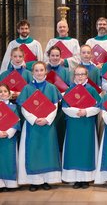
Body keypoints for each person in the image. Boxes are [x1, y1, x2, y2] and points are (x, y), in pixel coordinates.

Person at [16, 61, 62, 192]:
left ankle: (47, 180)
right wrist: (35, 119)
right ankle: (34, 181)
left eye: (41, 70)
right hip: (32, 126)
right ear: (32, 73)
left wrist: (46, 119)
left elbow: (55, 106)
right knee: (33, 151)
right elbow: (24, 107)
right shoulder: (27, 88)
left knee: (48, 151)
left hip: (47, 125)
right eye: (36, 70)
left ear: (45, 72)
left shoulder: (52, 88)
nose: (39, 73)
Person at [61, 65, 101, 189]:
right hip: (73, 124)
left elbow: (99, 106)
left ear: (86, 76)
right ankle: (75, 179)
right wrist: (76, 112)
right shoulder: (70, 89)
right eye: (77, 74)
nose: (80, 77)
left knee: (86, 149)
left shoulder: (92, 90)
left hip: (87, 124)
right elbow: (64, 107)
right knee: (74, 150)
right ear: (74, 76)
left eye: (82, 74)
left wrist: (86, 112)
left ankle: (86, 178)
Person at [0, 84, 20, 192]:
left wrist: (7, 133)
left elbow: (16, 122)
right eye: (0, 91)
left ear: (9, 93)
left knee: (9, 159)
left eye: (5, 91)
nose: (3, 93)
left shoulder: (14, 107)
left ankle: (11, 184)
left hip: (9, 138)